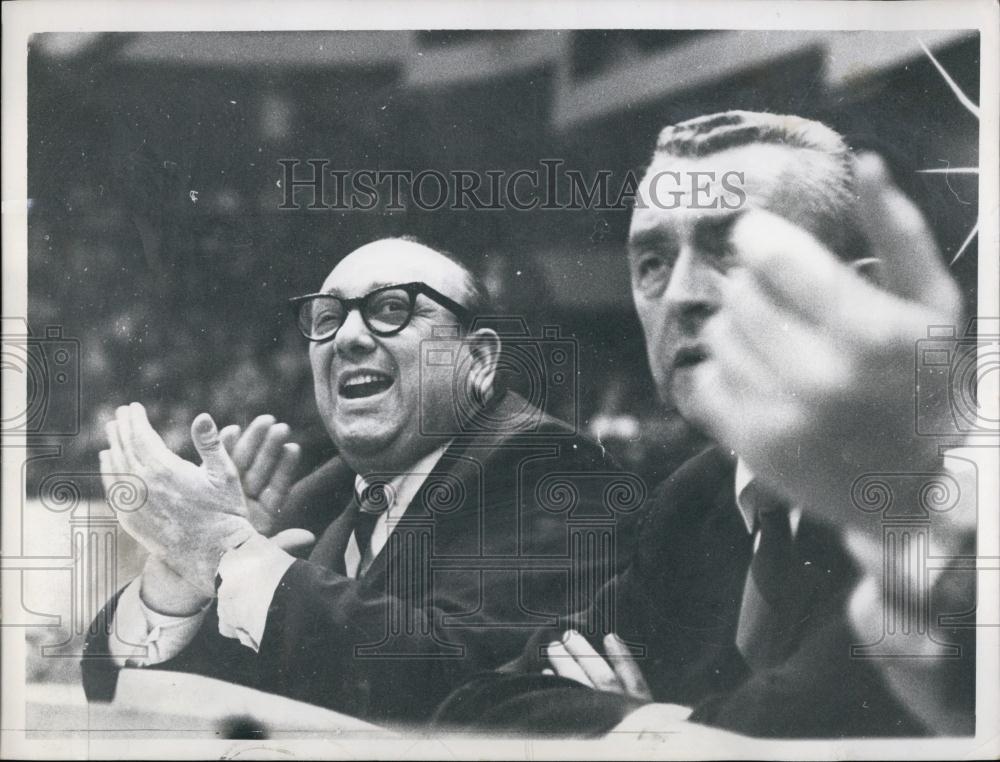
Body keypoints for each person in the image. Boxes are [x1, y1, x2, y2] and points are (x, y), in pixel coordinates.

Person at [431, 111, 976, 737]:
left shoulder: (938, 514)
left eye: (731, 251)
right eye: (653, 262)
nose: (681, 293)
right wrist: (665, 730)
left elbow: (780, 737)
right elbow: (481, 706)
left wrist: (637, 723)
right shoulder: (696, 498)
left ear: (865, 294)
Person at [83, 237, 645, 725]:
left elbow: (461, 692)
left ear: (478, 358)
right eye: (326, 318)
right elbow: (117, 699)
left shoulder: (550, 466)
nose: (346, 337)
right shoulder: (311, 498)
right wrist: (178, 583)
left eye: (391, 309)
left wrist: (229, 556)